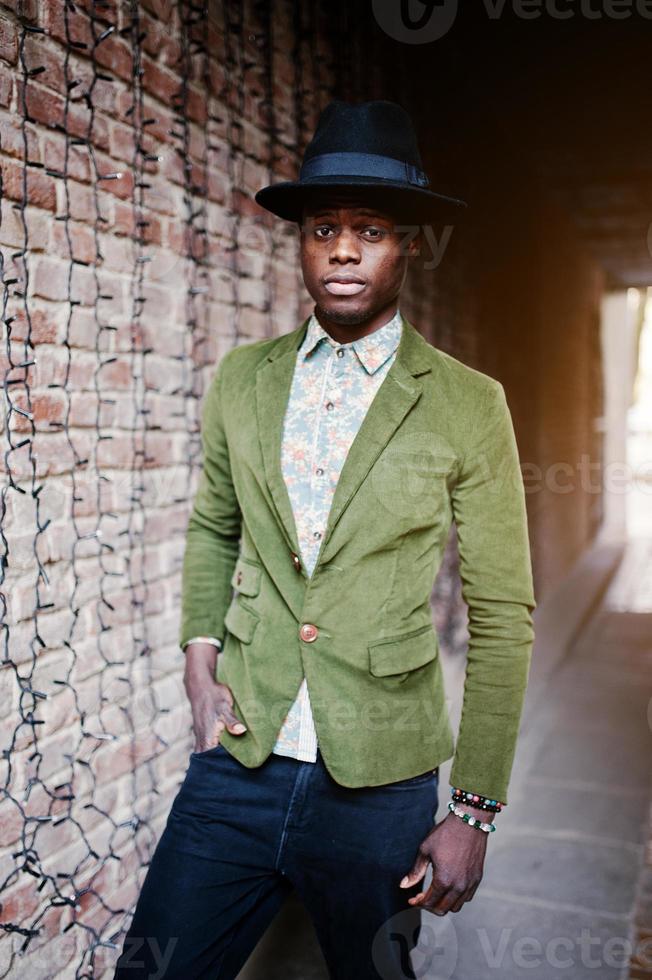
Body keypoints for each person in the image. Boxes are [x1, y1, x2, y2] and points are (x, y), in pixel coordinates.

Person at [114, 99, 536, 980]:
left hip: (379, 783)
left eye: (371, 229)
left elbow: (503, 613)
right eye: (323, 228)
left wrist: (475, 810)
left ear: (407, 244)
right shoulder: (244, 379)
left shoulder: (469, 404)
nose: (343, 248)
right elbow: (213, 522)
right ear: (303, 243)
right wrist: (200, 646)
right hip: (240, 762)